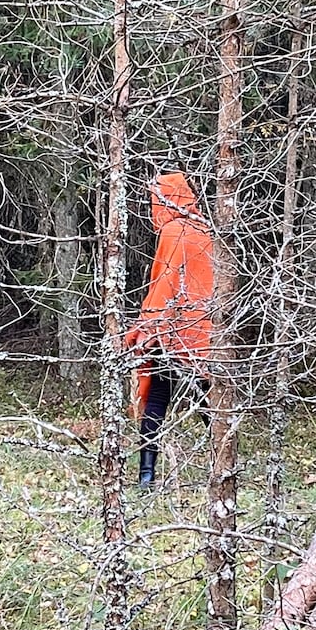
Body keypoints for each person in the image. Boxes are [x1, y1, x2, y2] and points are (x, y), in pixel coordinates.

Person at [125, 171, 213, 487]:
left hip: (171, 330)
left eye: (156, 200)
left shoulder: (174, 232)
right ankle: (223, 465)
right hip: (204, 332)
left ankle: (146, 476)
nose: (154, 208)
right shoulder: (207, 230)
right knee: (206, 399)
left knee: (158, 398)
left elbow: (164, 285)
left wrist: (146, 328)